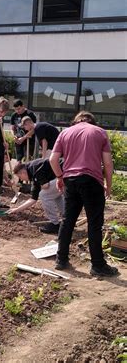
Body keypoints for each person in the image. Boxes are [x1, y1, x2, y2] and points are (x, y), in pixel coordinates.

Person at [49, 111, 118, 277]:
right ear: (92, 122)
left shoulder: (65, 132)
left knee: (67, 220)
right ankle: (98, 265)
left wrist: (60, 177)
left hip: (71, 180)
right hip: (91, 181)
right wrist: (108, 185)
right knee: (94, 224)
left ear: (76, 121)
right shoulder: (99, 132)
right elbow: (108, 164)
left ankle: (61, 259)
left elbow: (53, 159)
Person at [8, 158, 64, 234]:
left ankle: (55, 224)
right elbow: (33, 199)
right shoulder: (33, 174)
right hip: (64, 175)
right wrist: (17, 209)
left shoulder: (34, 168)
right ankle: (68, 219)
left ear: (22, 172)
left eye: (20, 177)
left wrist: (41, 184)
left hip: (67, 172)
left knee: (44, 195)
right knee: (54, 195)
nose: (21, 179)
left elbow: (46, 185)